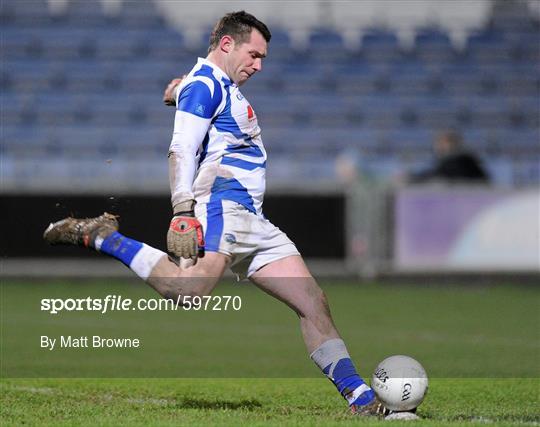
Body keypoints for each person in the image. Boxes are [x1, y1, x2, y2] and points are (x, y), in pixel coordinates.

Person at [44, 11, 388, 417]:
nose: (259, 66)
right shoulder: (207, 84)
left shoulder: (211, 84)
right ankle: (103, 236)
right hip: (222, 207)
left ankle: (361, 398)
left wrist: (179, 90)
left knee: (313, 302)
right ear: (227, 44)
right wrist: (182, 209)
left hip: (253, 220)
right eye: (254, 54)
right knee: (187, 293)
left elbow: (197, 100)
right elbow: (181, 148)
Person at [408, 130, 490, 184]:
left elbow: (436, 173)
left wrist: (411, 177)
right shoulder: (462, 158)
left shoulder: (461, 159)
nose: (438, 147)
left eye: (442, 143)